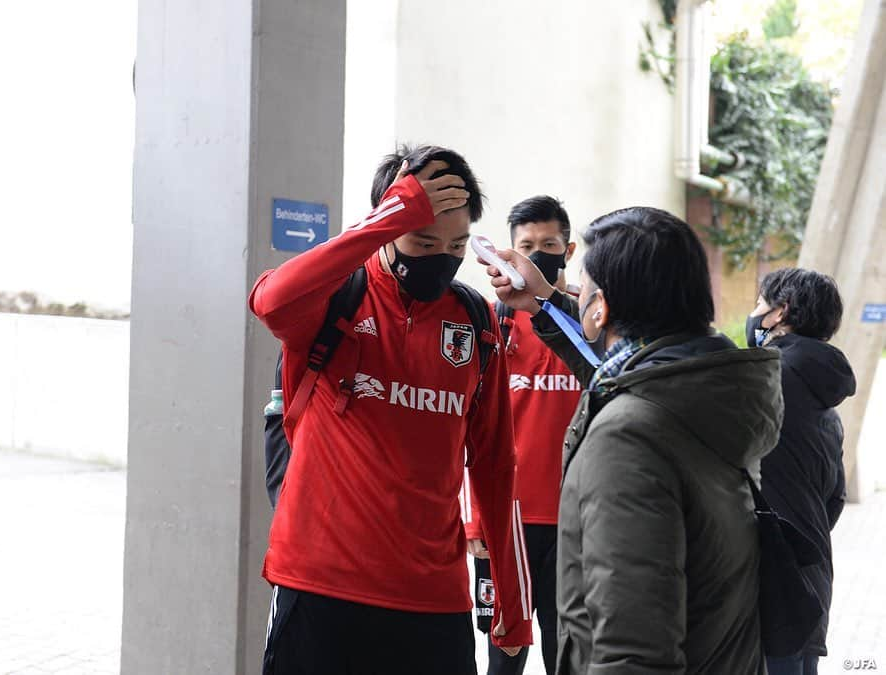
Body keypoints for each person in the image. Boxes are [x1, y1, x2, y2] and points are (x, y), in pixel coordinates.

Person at [249, 145, 531, 675]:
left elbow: (495, 466)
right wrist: (387, 217)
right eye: (422, 241)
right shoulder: (338, 297)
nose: (440, 258)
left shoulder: (473, 323)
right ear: (386, 222)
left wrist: (513, 605)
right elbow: (269, 300)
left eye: (456, 245)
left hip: (432, 600)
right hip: (320, 586)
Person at [482, 206, 784, 673]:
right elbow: (610, 370)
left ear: (600, 305)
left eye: (584, 287)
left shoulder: (629, 435)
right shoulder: (701, 390)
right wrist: (544, 301)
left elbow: (631, 647)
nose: (577, 296)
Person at [463, 196, 580, 675]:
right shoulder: (495, 323)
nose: (537, 255)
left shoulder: (589, 324)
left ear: (568, 250)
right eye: (525, 246)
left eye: (548, 244)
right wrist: (475, 523)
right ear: (510, 253)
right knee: (504, 656)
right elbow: (471, 429)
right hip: (505, 519)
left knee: (567, 651)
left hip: (577, 520)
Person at [747, 267, 856, 675]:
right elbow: (835, 497)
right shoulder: (825, 395)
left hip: (767, 577)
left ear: (780, 312)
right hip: (810, 571)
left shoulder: (765, 374)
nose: (755, 313)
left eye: (761, 303)